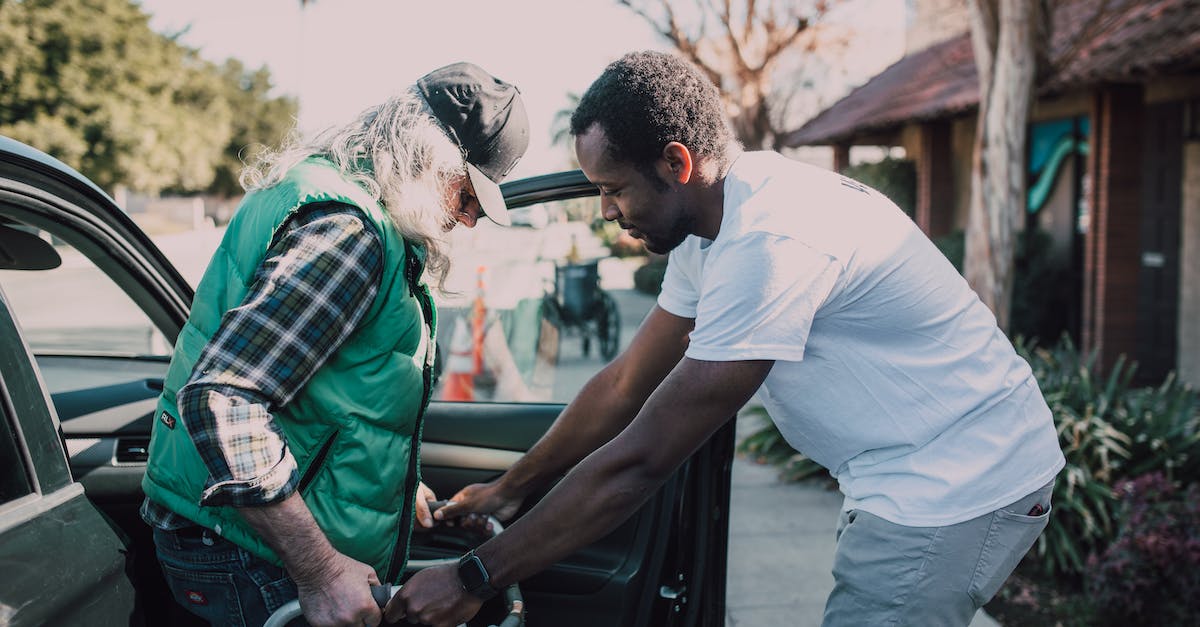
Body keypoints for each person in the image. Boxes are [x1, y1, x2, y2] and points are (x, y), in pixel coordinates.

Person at [390, 51, 1065, 627]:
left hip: (958, 483)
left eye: (613, 188)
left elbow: (642, 459)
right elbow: (627, 383)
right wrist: (512, 486)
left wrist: (471, 578)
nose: (605, 210)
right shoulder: (711, 232)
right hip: (907, 474)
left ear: (677, 163)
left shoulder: (770, 238)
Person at [139, 61, 529, 627]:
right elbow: (225, 401)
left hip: (230, 535)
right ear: (429, 158)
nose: (468, 218)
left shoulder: (315, 190)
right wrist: (320, 570)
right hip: (256, 557)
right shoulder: (347, 233)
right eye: (467, 192)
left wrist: (387, 483)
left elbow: (321, 387)